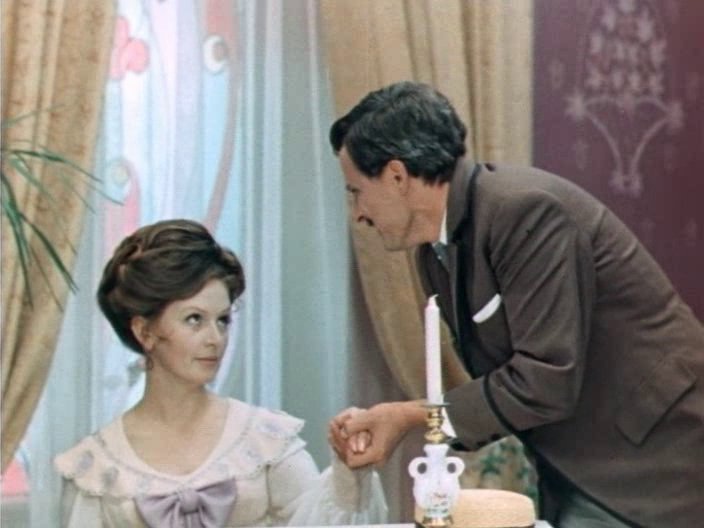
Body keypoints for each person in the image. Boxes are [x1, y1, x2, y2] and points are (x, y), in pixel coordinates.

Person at [327, 81, 704, 528]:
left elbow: (545, 379)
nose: (358, 214)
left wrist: (412, 417)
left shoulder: (524, 211)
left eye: (355, 191)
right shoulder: (434, 254)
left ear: (396, 176)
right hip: (580, 466)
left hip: (658, 460)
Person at [54, 219, 387, 527]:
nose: (215, 338)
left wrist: (350, 473)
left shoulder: (263, 441)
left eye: (223, 320)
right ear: (145, 331)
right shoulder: (99, 466)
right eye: (194, 319)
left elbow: (320, 522)